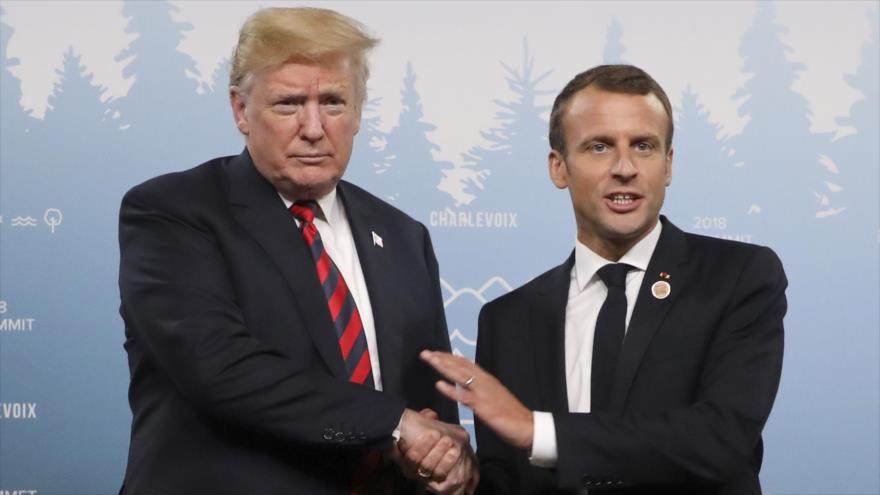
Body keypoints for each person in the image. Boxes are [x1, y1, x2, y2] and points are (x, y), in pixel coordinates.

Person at [118, 7, 475, 495]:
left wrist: (445, 460)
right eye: (288, 104)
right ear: (241, 110)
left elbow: (430, 415)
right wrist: (395, 423)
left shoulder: (404, 236)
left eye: (333, 102)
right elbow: (220, 368)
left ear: (357, 113)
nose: (313, 128)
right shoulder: (173, 213)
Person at [422, 64, 786, 494]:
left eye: (644, 146)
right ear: (559, 168)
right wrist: (454, 476)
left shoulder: (738, 277)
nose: (625, 167)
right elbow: (508, 481)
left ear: (668, 165)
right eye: (599, 147)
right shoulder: (508, 320)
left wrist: (537, 431)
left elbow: (719, 440)